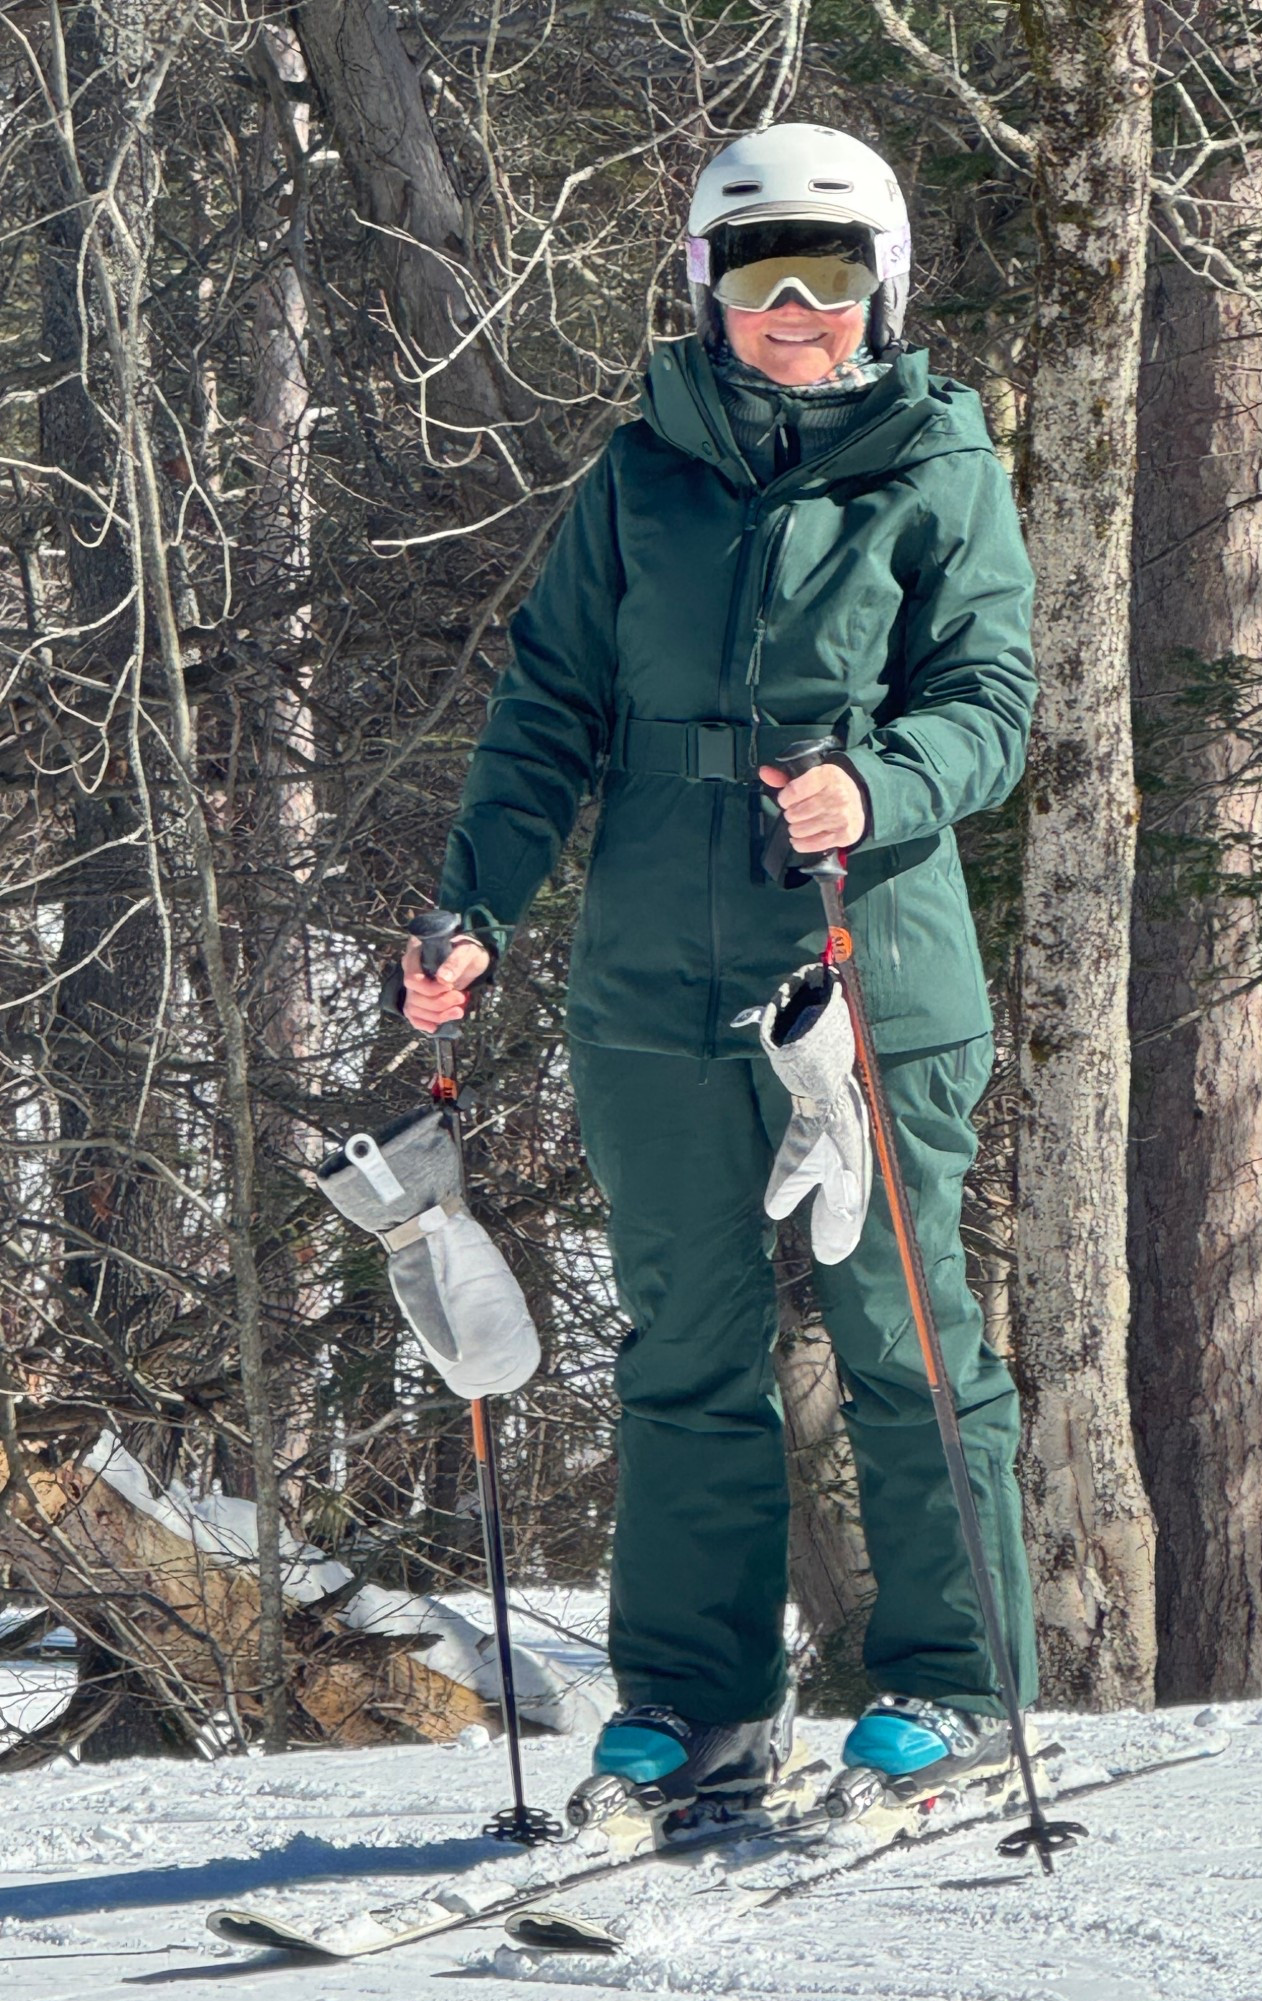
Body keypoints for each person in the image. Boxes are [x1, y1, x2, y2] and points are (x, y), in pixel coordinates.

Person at [400, 123, 1040, 1813]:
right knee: (685, 1346)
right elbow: (545, 714)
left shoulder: (938, 467)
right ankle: (695, 1706)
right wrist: (473, 910)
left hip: (866, 963)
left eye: (829, 278)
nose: (795, 311)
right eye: (759, 278)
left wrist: (876, 784)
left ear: (882, 288)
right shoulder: (640, 478)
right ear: (706, 292)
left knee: (903, 1331)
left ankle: (954, 1685)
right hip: (652, 978)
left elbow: (990, 704)